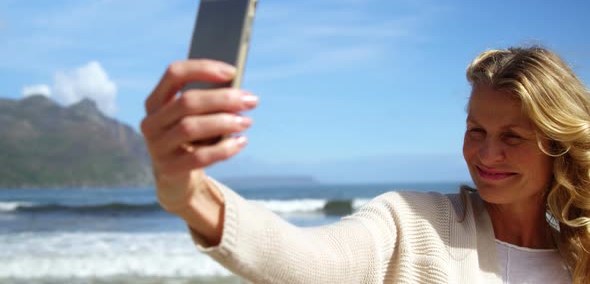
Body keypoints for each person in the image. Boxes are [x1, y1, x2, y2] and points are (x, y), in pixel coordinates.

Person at [141, 47, 589, 283]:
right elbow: (310, 261)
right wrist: (193, 198)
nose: (487, 155)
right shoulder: (413, 223)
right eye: (476, 131)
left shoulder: (580, 258)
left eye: (512, 137)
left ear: (559, 143)